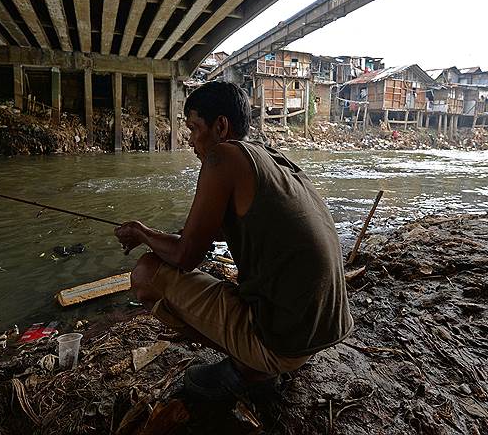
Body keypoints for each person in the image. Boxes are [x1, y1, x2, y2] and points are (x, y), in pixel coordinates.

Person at [114, 81, 352, 400]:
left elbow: (186, 256)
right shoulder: (270, 158)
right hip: (321, 331)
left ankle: (250, 367)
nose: (190, 141)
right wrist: (165, 235)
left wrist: (142, 233)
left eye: (194, 128)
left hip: (284, 345)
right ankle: (256, 358)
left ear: (221, 126)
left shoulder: (222, 157)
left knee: (146, 275)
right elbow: (208, 234)